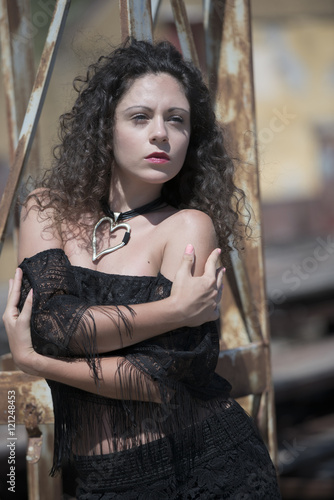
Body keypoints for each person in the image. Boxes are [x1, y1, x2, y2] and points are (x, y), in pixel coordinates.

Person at [3, 39, 281, 499]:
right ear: (104, 127)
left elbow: (158, 382)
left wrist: (37, 361)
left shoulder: (188, 227)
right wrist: (174, 311)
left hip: (207, 471)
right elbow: (55, 324)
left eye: (177, 120)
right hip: (97, 481)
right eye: (140, 117)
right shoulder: (44, 209)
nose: (161, 134)